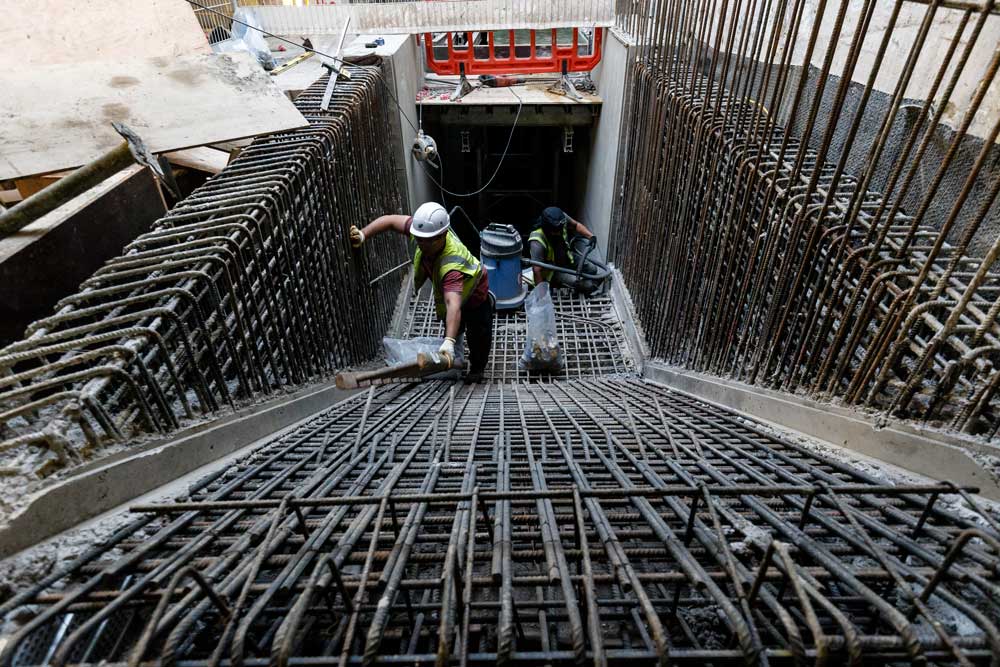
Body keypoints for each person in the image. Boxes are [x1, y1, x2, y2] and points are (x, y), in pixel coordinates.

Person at [350, 202, 494, 382]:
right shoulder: (424, 232)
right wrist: (363, 234)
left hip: (474, 294)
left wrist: (448, 341)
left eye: (427, 240)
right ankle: (454, 357)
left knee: (478, 333)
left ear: (442, 236)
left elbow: (453, 305)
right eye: (419, 239)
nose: (422, 244)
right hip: (452, 294)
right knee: (454, 328)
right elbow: (389, 221)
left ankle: (476, 370)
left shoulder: (452, 266)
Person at [528, 206, 603, 295]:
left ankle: (579, 288)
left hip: (567, 257)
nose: (559, 232)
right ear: (547, 228)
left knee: (592, 269)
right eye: (556, 231)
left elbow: (576, 225)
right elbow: (537, 270)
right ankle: (572, 288)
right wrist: (541, 295)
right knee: (588, 285)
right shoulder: (537, 241)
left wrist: (591, 236)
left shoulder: (561, 219)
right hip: (553, 271)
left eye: (560, 229)